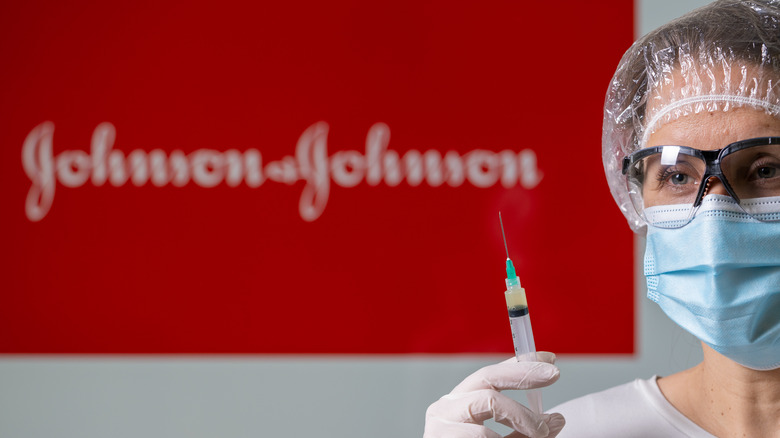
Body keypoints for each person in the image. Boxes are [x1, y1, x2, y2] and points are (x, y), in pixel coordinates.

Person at [423, 1, 780, 436]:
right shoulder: (581, 431)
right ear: (637, 197)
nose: (714, 215)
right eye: (677, 175)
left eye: (765, 169)